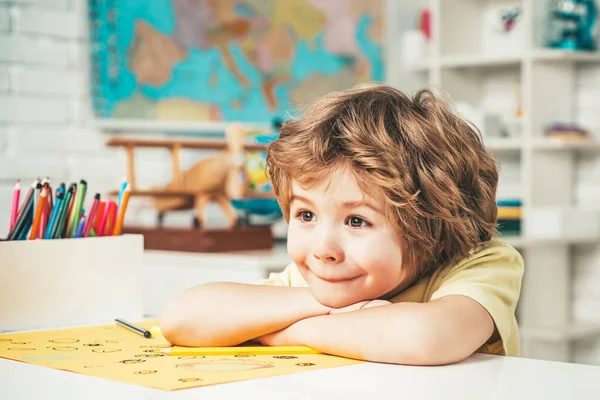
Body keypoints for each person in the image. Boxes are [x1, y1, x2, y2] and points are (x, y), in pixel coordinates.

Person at [160, 84, 524, 366]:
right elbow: (181, 318)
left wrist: (284, 333)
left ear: (432, 224)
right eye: (306, 215)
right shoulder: (315, 281)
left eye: (356, 220)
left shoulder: (479, 264)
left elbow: (427, 337)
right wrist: (324, 308)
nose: (323, 249)